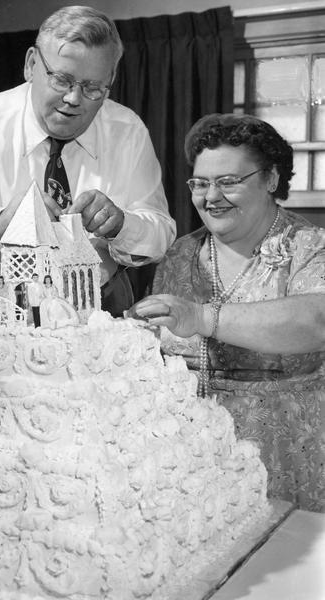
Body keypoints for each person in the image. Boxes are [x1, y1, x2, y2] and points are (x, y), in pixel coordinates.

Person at [0, 5, 175, 318]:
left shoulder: (129, 132)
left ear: (111, 79)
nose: (74, 99)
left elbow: (160, 234)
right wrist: (0, 223)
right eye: (61, 79)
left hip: (98, 301)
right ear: (31, 65)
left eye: (93, 88)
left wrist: (122, 225)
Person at [127, 113, 325, 512]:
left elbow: (316, 320)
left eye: (228, 182)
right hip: (193, 451)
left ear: (270, 179)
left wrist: (202, 318)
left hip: (286, 446)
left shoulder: (309, 245)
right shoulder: (181, 253)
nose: (210, 196)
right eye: (200, 183)